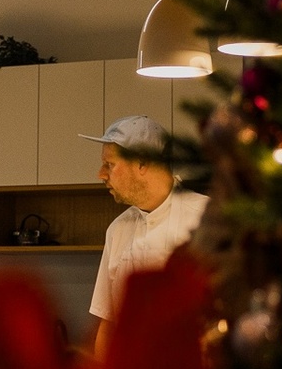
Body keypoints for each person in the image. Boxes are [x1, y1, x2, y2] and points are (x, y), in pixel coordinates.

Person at [83, 114, 209, 354]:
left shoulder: (205, 218)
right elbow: (107, 324)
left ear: (142, 164)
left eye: (110, 164)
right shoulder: (118, 229)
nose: (101, 174)